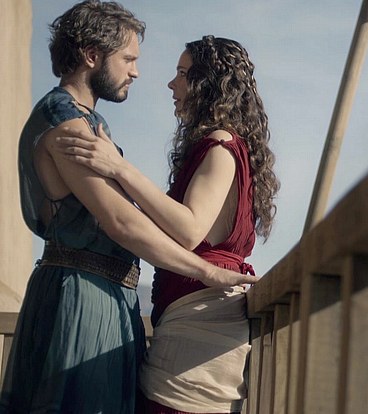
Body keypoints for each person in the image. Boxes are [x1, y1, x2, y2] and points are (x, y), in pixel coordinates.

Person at [0, 2, 258, 413]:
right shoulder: (65, 121)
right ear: (91, 55)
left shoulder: (92, 125)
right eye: (128, 58)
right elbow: (121, 221)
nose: (136, 71)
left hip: (109, 296)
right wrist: (207, 271)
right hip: (81, 294)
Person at [55, 35, 279, 414]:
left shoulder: (220, 145)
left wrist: (119, 168)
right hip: (196, 321)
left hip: (199, 329)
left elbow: (190, 230)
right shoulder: (226, 145)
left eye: (182, 73)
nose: (171, 84)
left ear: (209, 83)